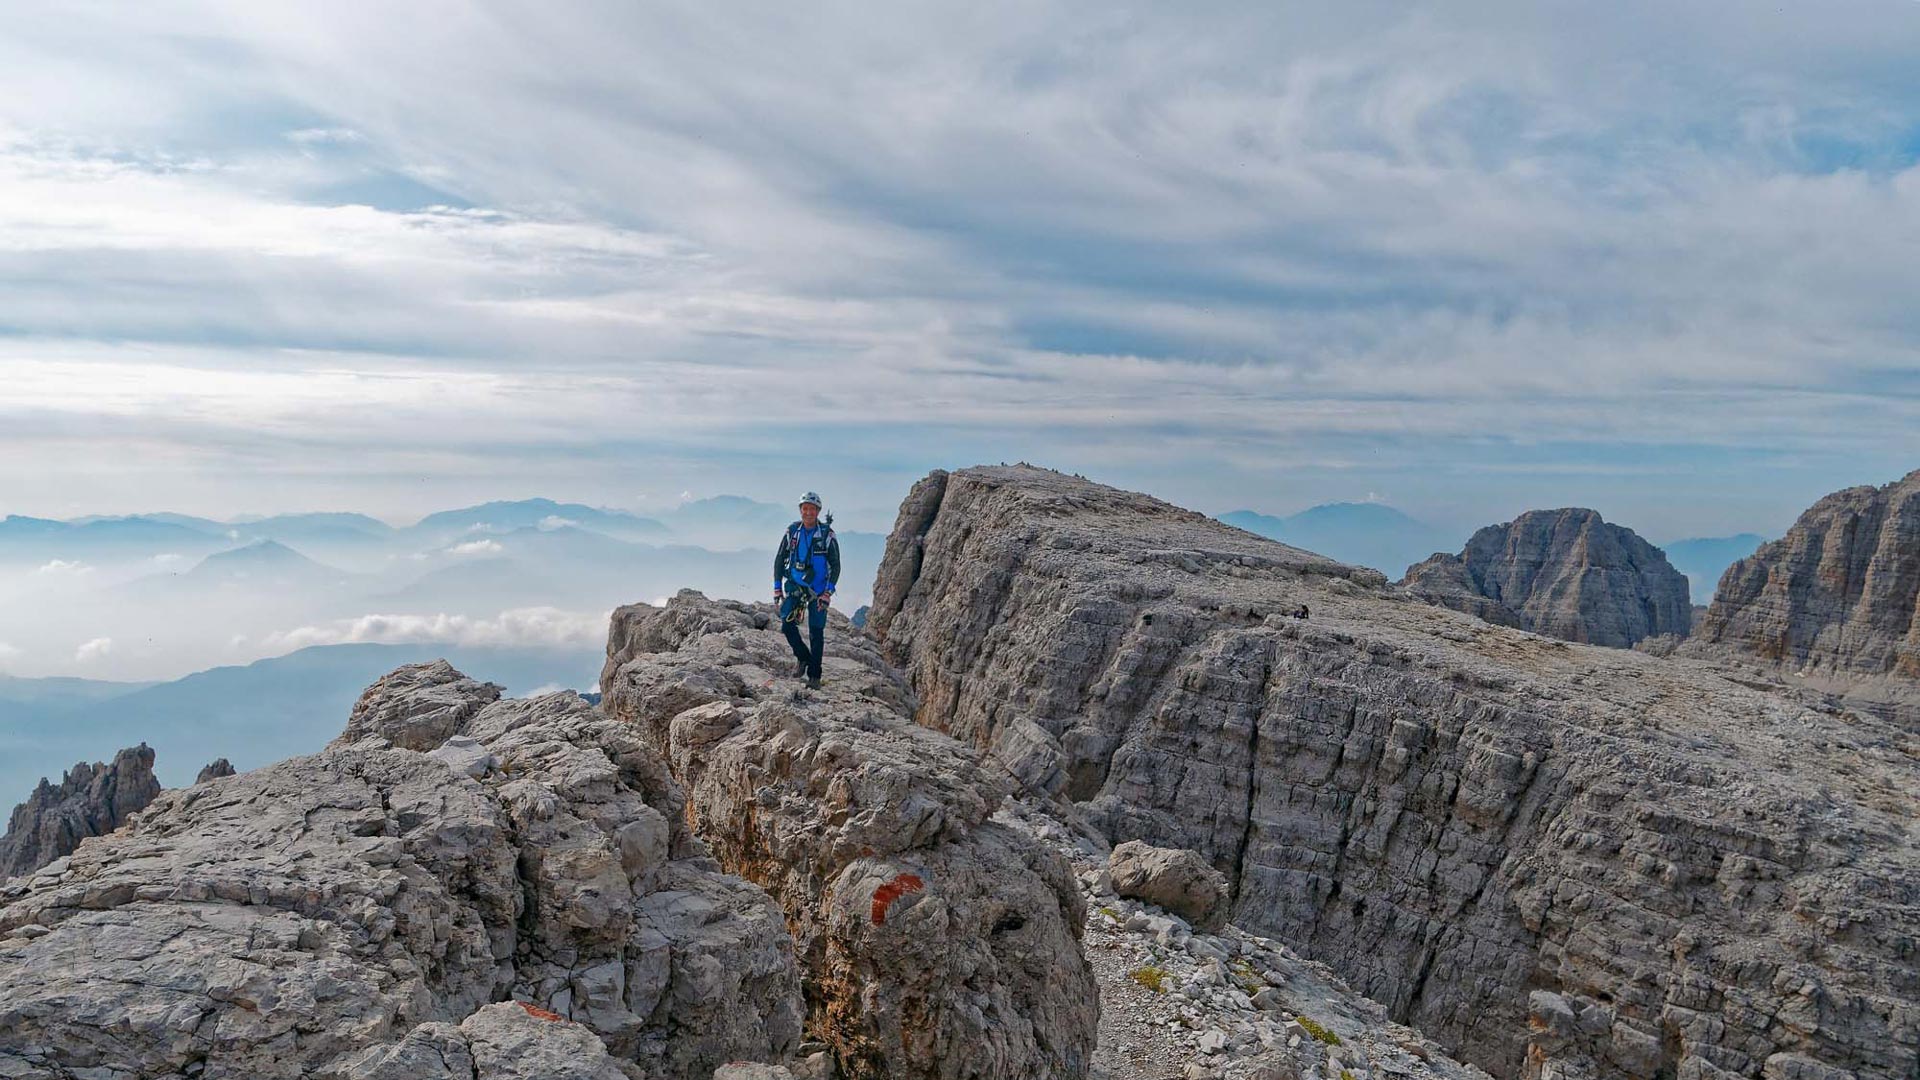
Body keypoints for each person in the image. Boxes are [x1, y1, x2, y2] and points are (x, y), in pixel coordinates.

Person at [774, 492, 841, 688]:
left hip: (818, 591)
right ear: (800, 510)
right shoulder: (792, 532)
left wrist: (827, 592)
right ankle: (803, 657)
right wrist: (777, 588)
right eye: (805, 508)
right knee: (786, 625)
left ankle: (815, 676)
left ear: (818, 511)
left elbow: (836, 566)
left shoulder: (827, 535)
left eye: (812, 509)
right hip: (795, 587)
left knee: (816, 632)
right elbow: (779, 559)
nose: (808, 512)